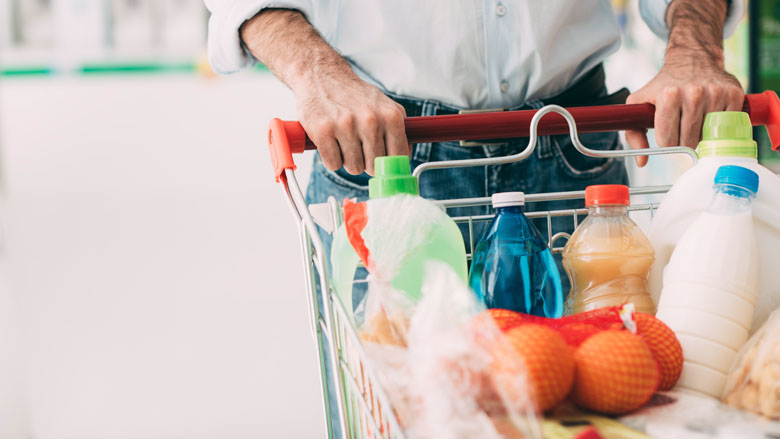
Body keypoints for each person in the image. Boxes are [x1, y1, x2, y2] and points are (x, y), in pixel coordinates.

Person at [205, 0, 745, 436]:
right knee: (398, 414)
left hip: (574, 145)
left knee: (603, 409)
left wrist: (694, 49)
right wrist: (316, 73)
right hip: (385, 153)